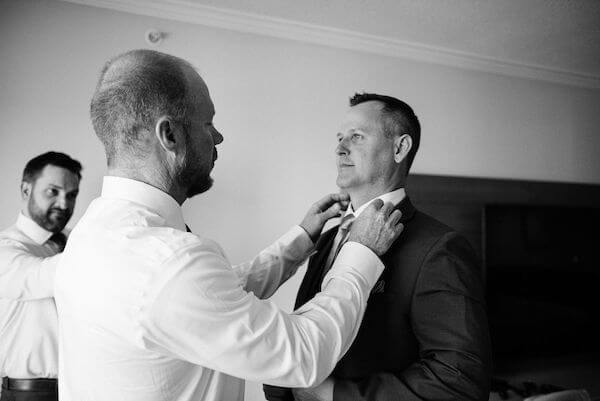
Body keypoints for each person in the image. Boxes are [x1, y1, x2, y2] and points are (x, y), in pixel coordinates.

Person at [53, 49, 405, 401]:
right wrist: (360, 252)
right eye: (208, 123)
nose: (218, 137)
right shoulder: (166, 264)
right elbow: (302, 355)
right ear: (169, 135)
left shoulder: (96, 232)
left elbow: (213, 297)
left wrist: (298, 241)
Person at [264, 93, 492, 401]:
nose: (339, 148)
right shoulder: (328, 238)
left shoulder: (439, 249)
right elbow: (312, 333)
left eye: (356, 136)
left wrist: (335, 395)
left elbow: (458, 381)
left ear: (400, 148)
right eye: (340, 138)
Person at [0, 151, 82, 401]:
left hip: (82, 387)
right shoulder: (5, 249)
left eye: (71, 195)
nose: (64, 204)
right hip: (30, 394)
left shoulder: (76, 241)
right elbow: (43, 276)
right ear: (26, 190)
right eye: (53, 191)